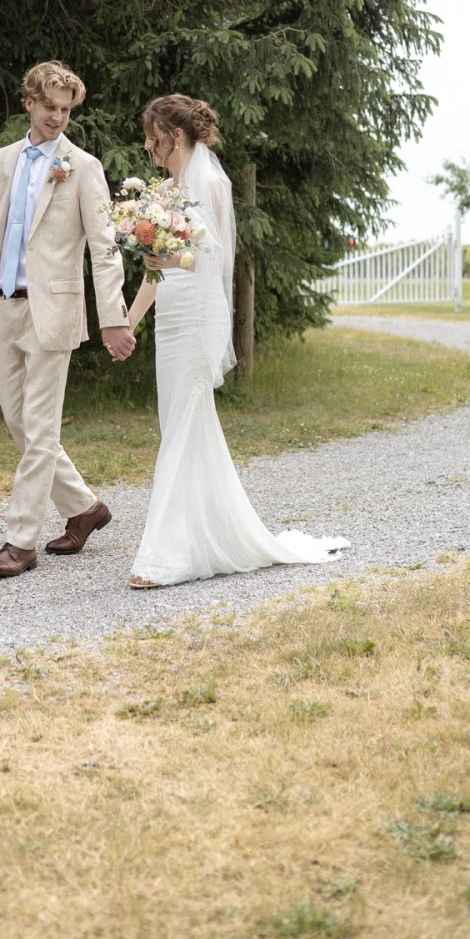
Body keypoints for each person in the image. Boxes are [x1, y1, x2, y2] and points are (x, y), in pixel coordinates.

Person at [123, 94, 349, 588]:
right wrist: (129, 321)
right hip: (172, 320)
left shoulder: (210, 181)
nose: (147, 144)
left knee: (184, 422)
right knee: (179, 425)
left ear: (173, 134)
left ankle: (165, 557)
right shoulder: (168, 190)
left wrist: (172, 260)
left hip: (198, 317)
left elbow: (216, 262)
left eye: (152, 135)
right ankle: (206, 536)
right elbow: (156, 268)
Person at [0, 61, 135, 579]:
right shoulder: (3, 160)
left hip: (53, 311)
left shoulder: (83, 166)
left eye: (67, 110)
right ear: (29, 101)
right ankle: (86, 509)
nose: (59, 118)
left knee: (40, 427)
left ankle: (19, 541)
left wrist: (114, 317)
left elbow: (104, 247)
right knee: (19, 424)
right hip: (3, 308)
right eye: (50, 107)